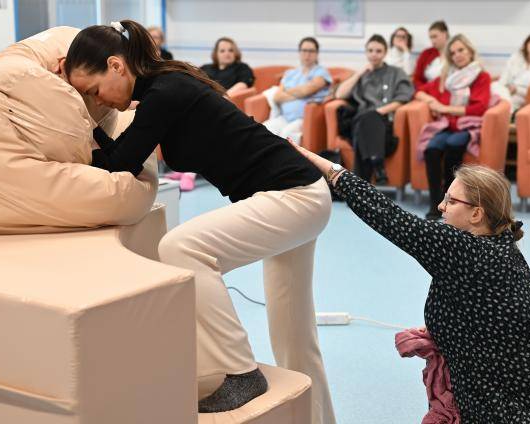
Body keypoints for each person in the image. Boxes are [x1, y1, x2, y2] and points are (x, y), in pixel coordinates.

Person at [61, 20, 336, 423]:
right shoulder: (164, 86)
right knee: (294, 336)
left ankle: (241, 372)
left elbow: (119, 163)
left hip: (292, 195)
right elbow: (121, 153)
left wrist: (82, 130)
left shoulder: (164, 94)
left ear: (117, 66)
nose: (95, 101)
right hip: (297, 192)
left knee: (181, 247)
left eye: (93, 90)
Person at [293, 142, 530, 423]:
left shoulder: (462, 248)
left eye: (451, 201)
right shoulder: (502, 246)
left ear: (477, 214)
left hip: (525, 408)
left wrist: (331, 170)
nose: (440, 206)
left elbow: (389, 217)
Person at [414, 34, 491, 220]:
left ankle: (450, 202)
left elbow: (479, 107)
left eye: (461, 50)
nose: (457, 55)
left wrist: (444, 108)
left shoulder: (481, 76)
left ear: (470, 51)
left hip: (467, 124)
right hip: (447, 124)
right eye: (453, 52)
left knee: (453, 146)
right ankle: (435, 204)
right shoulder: (446, 77)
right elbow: (419, 92)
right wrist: (431, 100)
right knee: (431, 149)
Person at [334, 34, 413, 184]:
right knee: (365, 120)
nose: (374, 54)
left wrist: (378, 112)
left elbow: (403, 98)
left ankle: (359, 187)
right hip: (359, 121)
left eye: (378, 51)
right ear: (366, 52)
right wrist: (359, 73)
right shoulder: (362, 74)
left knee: (367, 121)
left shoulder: (396, 72)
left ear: (385, 53)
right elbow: (340, 94)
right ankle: (378, 165)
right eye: (370, 50)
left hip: (384, 123)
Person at [263, 37, 332, 143]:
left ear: (317, 53)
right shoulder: (290, 73)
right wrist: (300, 92)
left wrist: (287, 91)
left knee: (286, 135)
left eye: (311, 51)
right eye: (304, 50)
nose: (307, 54)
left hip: (303, 119)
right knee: (264, 129)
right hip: (284, 117)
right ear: (299, 52)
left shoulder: (321, 72)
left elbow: (307, 90)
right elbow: (277, 97)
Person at [491, 33, 530, 113]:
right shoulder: (515, 58)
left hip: (522, 95)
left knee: (502, 100)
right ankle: (509, 112)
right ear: (526, 44)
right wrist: (506, 88)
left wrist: (516, 90)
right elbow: (504, 76)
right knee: (494, 85)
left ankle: (508, 111)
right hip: (505, 90)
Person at [412, 20, 449, 89]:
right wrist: (424, 89)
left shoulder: (454, 53)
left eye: (435, 36)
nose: (432, 41)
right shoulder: (426, 53)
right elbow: (417, 78)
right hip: (426, 92)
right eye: (431, 38)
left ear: (445, 34)